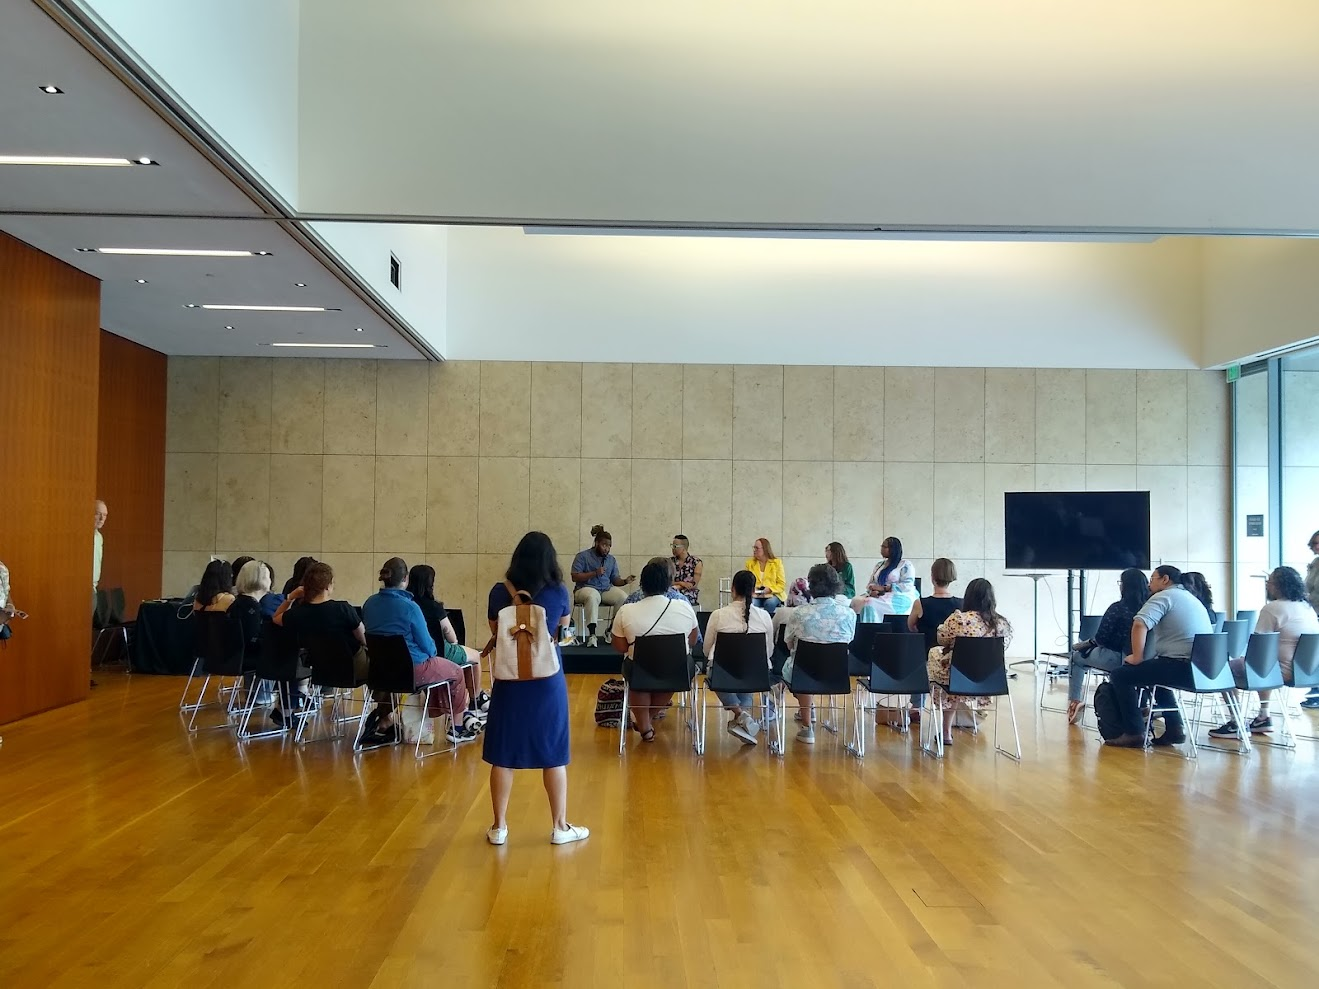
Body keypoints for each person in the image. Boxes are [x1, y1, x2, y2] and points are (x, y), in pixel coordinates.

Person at [483, 531, 588, 847]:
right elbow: (563, 631)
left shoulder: (499, 591)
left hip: (509, 678)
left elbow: (496, 630)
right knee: (553, 751)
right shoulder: (558, 591)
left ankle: (499, 827)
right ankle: (560, 826)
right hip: (547, 678)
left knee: (503, 752)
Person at [362, 558, 476, 746]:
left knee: (438, 669)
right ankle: (457, 727)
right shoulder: (410, 607)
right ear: (405, 579)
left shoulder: (369, 603)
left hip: (380, 671)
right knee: (455, 671)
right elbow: (429, 647)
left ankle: (385, 719)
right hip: (412, 671)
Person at [1106, 565, 1213, 748]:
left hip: (1182, 667)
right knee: (1155, 673)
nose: (1149, 585)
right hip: (1206, 670)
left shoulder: (1164, 596)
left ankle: (1134, 732)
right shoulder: (1191, 597)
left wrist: (1137, 656)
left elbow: (1139, 624)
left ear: (1165, 579)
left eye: (1152, 579)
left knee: (1120, 675)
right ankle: (1175, 728)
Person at [1208, 566, 1319, 738]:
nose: (1267, 584)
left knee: (1224, 668)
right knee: (1264, 663)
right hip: (1306, 671)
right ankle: (1263, 716)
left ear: (1279, 585)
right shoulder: (1307, 608)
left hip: (1278, 671)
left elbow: (1260, 645)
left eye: (1270, 581)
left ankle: (1236, 723)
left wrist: (1242, 660)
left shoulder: (1273, 608)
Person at [611, 559, 700, 741]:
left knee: (638, 675)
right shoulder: (684, 606)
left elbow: (620, 647)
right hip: (676, 671)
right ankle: (646, 722)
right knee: (673, 674)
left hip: (639, 671)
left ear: (642, 584)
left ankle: (644, 725)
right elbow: (692, 641)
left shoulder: (626, 610)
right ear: (669, 584)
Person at [926, 578, 1012, 746]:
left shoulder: (959, 619)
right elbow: (1004, 647)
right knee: (955, 670)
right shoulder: (1001, 624)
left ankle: (946, 732)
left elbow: (942, 639)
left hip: (958, 677)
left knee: (936, 655)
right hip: (990, 679)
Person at [783, 564, 857, 744]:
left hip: (803, 674)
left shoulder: (799, 613)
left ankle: (807, 725)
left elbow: (789, 643)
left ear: (811, 585)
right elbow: (849, 641)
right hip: (837, 674)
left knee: (797, 665)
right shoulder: (849, 614)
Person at [1066, 568, 1149, 724]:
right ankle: (1143, 705)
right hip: (1145, 660)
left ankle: (1075, 702)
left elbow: (1101, 639)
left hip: (1116, 657)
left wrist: (1084, 645)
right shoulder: (1151, 608)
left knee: (1076, 658)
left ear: (1125, 586)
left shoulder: (1118, 608)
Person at [406, 563, 490, 716]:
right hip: (437, 651)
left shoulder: (405, 606)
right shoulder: (434, 607)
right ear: (430, 584)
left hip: (410, 654)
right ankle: (475, 698)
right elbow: (451, 637)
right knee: (475, 656)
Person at [702, 569, 774, 745]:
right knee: (747, 673)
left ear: (732, 589)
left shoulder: (718, 615)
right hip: (755, 673)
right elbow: (768, 651)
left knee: (717, 672)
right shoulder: (764, 616)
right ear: (753, 591)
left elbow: (706, 650)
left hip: (723, 673)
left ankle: (740, 715)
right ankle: (742, 717)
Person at [274, 561, 368, 680]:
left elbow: (276, 618)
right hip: (351, 669)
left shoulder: (298, 613)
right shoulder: (343, 609)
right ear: (328, 586)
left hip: (318, 670)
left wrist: (291, 597)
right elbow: (362, 637)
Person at [906, 558, 962, 721]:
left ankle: (917, 706)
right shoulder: (961, 604)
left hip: (926, 653)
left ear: (932, 577)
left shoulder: (920, 603)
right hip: (953, 658)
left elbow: (910, 625)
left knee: (918, 659)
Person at [570, 525, 634, 647]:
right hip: (584, 589)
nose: (607, 549)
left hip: (605, 590)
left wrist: (625, 581)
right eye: (604, 545)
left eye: (609, 546)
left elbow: (615, 580)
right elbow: (575, 576)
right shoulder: (582, 556)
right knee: (592, 595)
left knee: (623, 597)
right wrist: (594, 573)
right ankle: (592, 635)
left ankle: (610, 630)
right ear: (596, 543)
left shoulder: (611, 560)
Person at [853, 536, 917, 618]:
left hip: (898, 597)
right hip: (880, 595)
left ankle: (872, 626)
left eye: (884, 547)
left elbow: (907, 586)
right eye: (882, 546)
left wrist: (885, 588)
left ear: (892, 549)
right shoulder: (880, 565)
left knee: (870, 603)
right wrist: (873, 591)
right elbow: (872, 583)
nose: (881, 549)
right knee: (855, 601)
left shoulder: (905, 565)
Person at [744, 537, 786, 615]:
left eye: (757, 548)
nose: (754, 550)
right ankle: (753, 622)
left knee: (769, 603)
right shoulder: (750, 563)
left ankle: (768, 622)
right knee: (751, 603)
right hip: (756, 595)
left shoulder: (777, 563)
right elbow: (747, 582)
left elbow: (781, 584)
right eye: (754, 548)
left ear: (765, 549)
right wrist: (753, 589)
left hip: (773, 595)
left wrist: (770, 589)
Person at [1304, 531, 1319, 709]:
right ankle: (1315, 691)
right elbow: (1307, 587)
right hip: (1313, 613)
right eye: (1314, 543)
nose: (1316, 547)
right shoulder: (1315, 564)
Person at [670, 535, 703, 609]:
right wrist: (681, 583)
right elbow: (666, 582)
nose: (673, 549)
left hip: (689, 595)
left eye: (675, 546)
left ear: (683, 548)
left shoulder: (696, 562)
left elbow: (693, 584)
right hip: (671, 593)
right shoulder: (669, 562)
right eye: (672, 546)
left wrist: (676, 586)